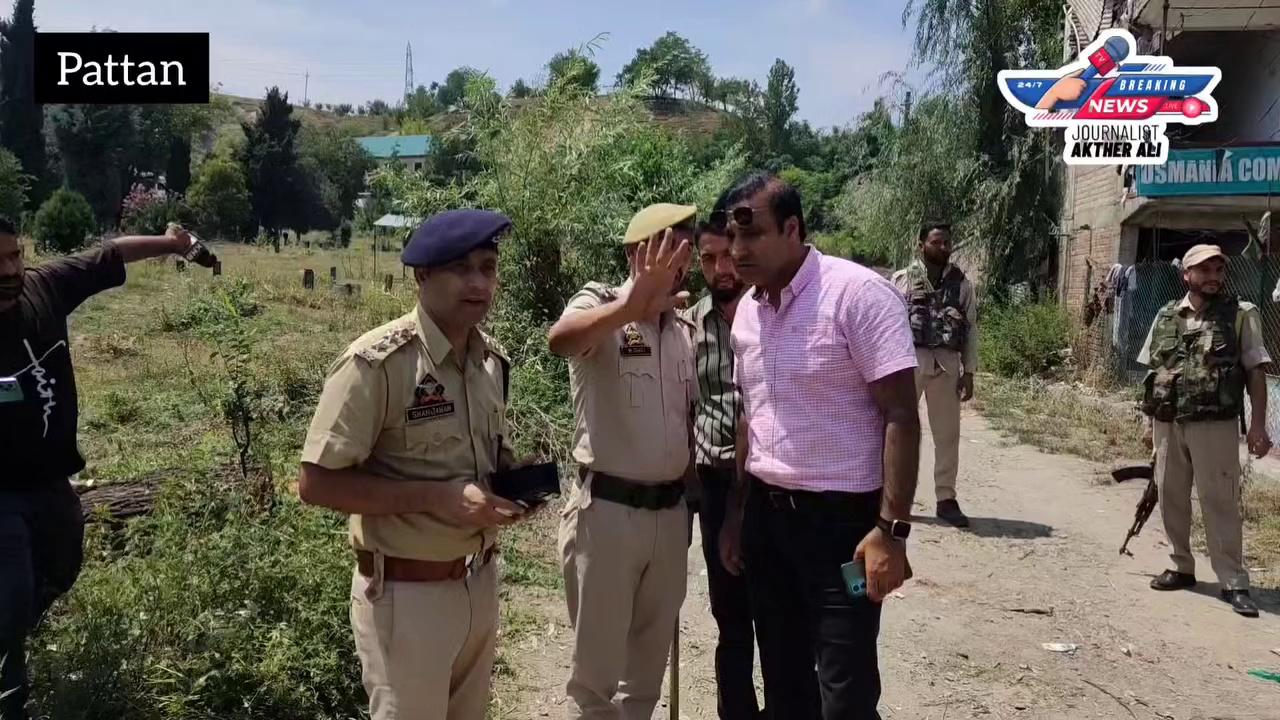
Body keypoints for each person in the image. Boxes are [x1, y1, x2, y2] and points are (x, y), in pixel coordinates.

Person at [298, 209, 532, 720]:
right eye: (461, 268)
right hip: (406, 598)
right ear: (422, 275)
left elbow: (487, 461)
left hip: (479, 585)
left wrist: (512, 492)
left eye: (488, 267)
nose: (478, 282)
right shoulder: (378, 364)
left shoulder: (492, 363)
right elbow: (315, 483)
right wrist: (434, 498)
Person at [717, 173, 920, 720]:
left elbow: (902, 416)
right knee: (784, 682)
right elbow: (750, 419)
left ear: (792, 228)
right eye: (730, 238)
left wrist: (891, 532)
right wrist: (738, 515)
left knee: (846, 690)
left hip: (845, 537)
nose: (737, 251)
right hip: (768, 525)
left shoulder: (855, 295)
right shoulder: (749, 315)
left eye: (751, 235)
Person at [1, 219, 216, 720]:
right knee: (9, 592)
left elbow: (109, 254)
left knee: (62, 563)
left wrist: (173, 243)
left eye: (15, 255)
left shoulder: (44, 287)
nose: (11, 269)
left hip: (50, 481)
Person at [548, 203, 698, 720]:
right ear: (639, 253)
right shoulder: (599, 304)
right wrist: (630, 306)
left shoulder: (683, 333)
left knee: (645, 677)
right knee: (596, 682)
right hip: (607, 516)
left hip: (668, 517)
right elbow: (561, 340)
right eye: (671, 249)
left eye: (687, 252)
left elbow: (687, 422)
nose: (683, 263)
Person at [1137, 243, 1272, 618]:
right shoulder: (1166, 315)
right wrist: (1149, 425)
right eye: (1205, 270)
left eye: (1218, 271)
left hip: (1215, 425)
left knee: (1220, 500)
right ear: (1187, 275)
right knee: (1171, 496)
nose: (1213, 278)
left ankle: (1233, 580)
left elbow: (1256, 372)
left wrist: (1257, 425)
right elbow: (1153, 371)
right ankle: (1181, 565)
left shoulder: (1241, 315)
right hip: (1168, 422)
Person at [682, 216, 762, 720]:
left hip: (770, 486)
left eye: (726, 255)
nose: (720, 268)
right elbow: (682, 406)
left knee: (779, 614)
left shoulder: (773, 312)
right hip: (714, 485)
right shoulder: (690, 324)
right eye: (708, 259)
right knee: (730, 616)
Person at [891, 223, 978, 527]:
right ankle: (893, 500)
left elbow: (970, 329)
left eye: (947, 243)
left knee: (947, 435)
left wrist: (970, 372)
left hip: (947, 361)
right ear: (921, 245)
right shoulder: (901, 281)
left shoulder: (963, 285)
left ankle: (946, 498)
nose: (943, 247)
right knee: (899, 431)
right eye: (936, 242)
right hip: (909, 361)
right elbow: (889, 326)